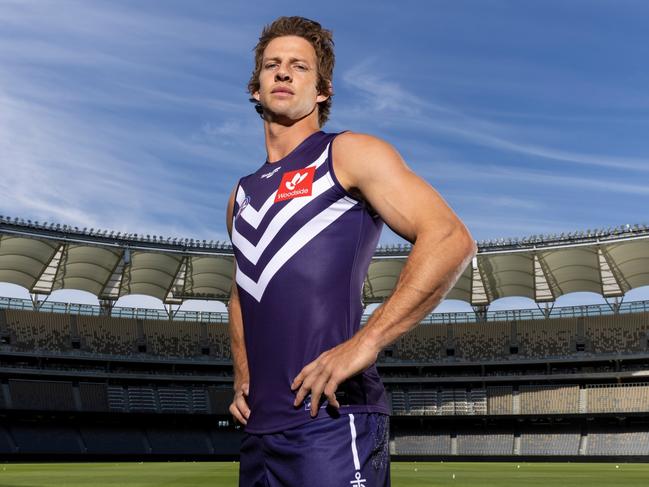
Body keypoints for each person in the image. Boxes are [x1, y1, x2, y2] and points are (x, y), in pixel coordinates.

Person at [225, 16, 477, 486]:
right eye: (271, 65)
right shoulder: (240, 195)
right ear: (255, 88)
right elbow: (241, 293)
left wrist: (364, 344)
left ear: (322, 91)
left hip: (333, 424)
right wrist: (243, 374)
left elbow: (449, 238)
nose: (282, 73)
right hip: (258, 434)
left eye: (299, 66)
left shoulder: (348, 154)